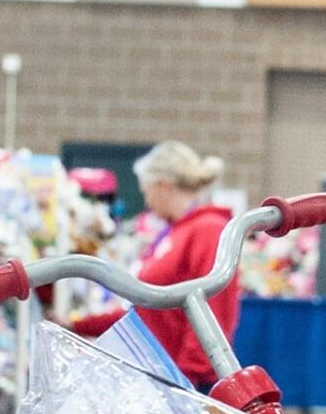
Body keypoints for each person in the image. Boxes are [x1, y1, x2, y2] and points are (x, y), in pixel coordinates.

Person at [71, 141, 238, 391]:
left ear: (164, 186)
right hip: (161, 375)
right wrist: (78, 326)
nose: (147, 202)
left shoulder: (206, 230)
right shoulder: (175, 232)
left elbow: (213, 309)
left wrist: (187, 383)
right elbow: (146, 307)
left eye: (146, 191)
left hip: (183, 382)